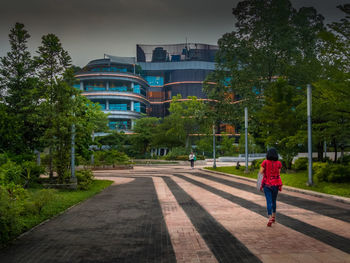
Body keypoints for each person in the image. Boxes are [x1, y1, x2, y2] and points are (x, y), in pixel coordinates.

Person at [259, 148, 283, 227]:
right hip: (275, 184)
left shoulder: (265, 162)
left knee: (269, 201)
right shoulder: (279, 163)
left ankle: (269, 218)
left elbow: (261, 172)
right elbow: (278, 173)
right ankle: (274, 217)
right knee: (274, 201)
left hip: (267, 184)